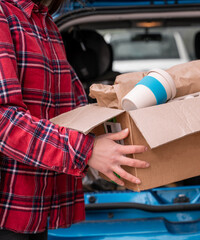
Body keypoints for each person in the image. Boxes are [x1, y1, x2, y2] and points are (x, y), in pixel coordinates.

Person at [0, 0, 150, 239]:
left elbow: (69, 111)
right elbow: (3, 122)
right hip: (8, 206)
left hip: (36, 206)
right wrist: (87, 151)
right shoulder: (4, 16)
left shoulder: (45, 22)